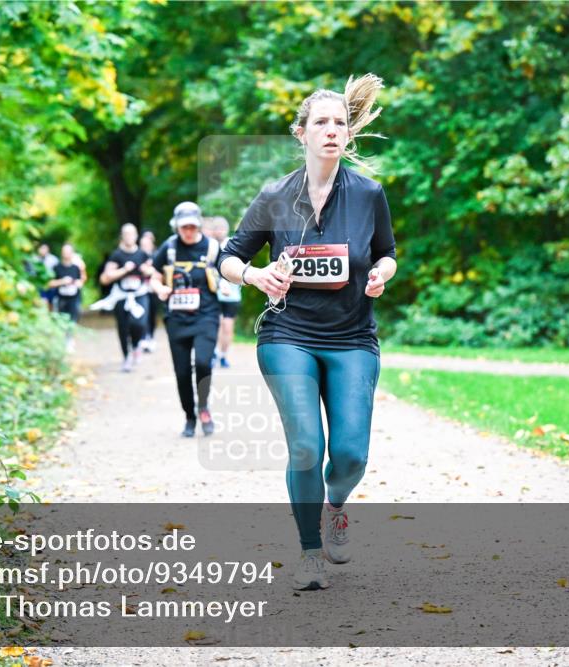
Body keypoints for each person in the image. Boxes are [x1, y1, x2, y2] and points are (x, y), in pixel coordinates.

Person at [216, 74, 396, 591]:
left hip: (352, 337)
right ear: (302, 133)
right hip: (287, 334)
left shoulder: (368, 194)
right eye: (321, 122)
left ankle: (335, 504)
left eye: (340, 122)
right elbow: (228, 258)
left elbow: (386, 252)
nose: (331, 130)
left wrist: (382, 272)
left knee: (351, 455)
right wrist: (255, 276)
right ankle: (310, 550)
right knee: (305, 447)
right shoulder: (275, 195)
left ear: (348, 133)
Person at [150, 202, 222, 437]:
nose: (188, 231)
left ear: (198, 225)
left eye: (192, 226)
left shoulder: (212, 247)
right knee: (181, 372)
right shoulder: (169, 248)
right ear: (177, 227)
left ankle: (204, 407)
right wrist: (160, 288)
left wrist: (231, 282)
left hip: (206, 315)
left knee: (203, 362)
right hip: (177, 318)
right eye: (184, 227)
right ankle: (189, 417)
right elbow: (154, 276)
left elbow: (228, 270)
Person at [98, 223, 153, 372]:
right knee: (123, 327)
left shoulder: (142, 254)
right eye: (126, 234)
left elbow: (153, 271)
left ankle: (136, 346)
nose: (129, 237)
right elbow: (105, 277)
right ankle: (126, 357)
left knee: (139, 323)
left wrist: (146, 270)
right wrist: (124, 270)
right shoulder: (116, 255)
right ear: (122, 236)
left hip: (140, 294)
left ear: (136, 236)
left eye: (131, 234)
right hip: (121, 295)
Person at [208, 216, 241, 368]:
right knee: (216, 324)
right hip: (214, 293)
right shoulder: (210, 246)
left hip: (232, 295)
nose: (219, 231)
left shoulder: (233, 245)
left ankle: (223, 355)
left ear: (226, 230)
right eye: (216, 228)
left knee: (227, 326)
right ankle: (213, 352)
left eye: (222, 228)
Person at [51, 243, 84, 323]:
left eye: (68, 251)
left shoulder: (76, 267)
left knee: (73, 320)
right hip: (61, 299)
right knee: (61, 321)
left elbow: (81, 281)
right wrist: (62, 281)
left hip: (74, 298)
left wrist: (78, 283)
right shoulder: (56, 267)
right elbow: (50, 283)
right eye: (65, 251)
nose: (66, 253)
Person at [138, 230, 159, 352]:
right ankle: (143, 338)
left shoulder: (157, 255)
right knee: (142, 314)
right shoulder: (137, 255)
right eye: (143, 245)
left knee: (152, 314)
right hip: (140, 290)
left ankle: (151, 337)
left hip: (153, 290)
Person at [35, 243, 60, 311]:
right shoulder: (35, 259)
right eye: (42, 248)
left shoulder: (53, 260)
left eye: (45, 249)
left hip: (52, 286)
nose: (43, 250)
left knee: (51, 303)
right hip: (40, 285)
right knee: (42, 302)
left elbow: (58, 273)